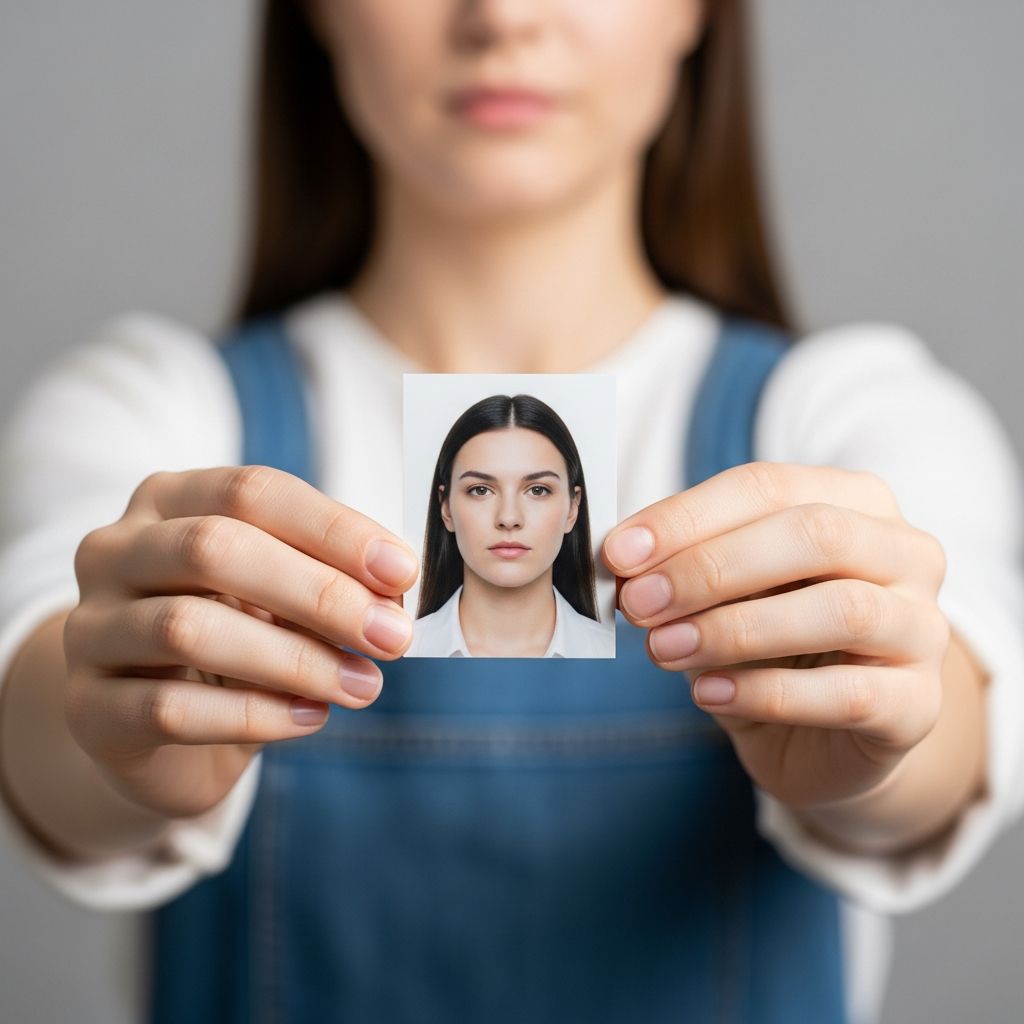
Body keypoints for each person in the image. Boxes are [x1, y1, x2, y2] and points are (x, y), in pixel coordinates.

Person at [0, 1, 1022, 1022]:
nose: (501, 14)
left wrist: (878, 737)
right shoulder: (151, 414)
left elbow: (957, 718)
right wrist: (119, 728)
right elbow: (40, 706)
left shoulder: (853, 416)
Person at [408, 392, 615, 659]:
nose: (508, 518)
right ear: (445, 507)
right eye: (481, 490)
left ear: (573, 508)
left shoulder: (607, 650)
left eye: (538, 490)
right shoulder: (403, 652)